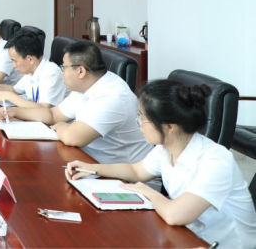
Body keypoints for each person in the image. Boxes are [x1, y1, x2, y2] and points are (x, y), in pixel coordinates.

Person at [66, 80, 256, 247]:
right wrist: (92, 168)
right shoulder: (166, 147)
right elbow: (136, 171)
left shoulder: (216, 161)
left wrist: (148, 192)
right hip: (189, 236)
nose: (139, 125)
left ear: (170, 127)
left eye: (143, 119)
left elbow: (175, 215)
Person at [0, 40, 150, 164]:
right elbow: (53, 115)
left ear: (81, 71)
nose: (62, 73)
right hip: (89, 161)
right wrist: (15, 112)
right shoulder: (86, 85)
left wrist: (62, 126)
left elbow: (72, 137)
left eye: (64, 67)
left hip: (123, 178)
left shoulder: (112, 97)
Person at [0, 31, 65, 108]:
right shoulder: (31, 70)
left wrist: (9, 96)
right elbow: (15, 90)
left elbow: (43, 108)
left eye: (15, 61)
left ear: (29, 59)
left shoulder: (51, 72)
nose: (13, 65)